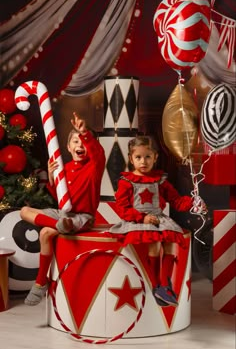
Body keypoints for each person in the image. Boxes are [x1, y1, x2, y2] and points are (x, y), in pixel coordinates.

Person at [109, 136, 207, 307]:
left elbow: (176, 200)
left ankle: (164, 285)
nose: (143, 161)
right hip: (138, 219)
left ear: (155, 157)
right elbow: (122, 208)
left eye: (148, 156)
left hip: (158, 218)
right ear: (131, 159)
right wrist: (142, 217)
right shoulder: (127, 182)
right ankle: (156, 285)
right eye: (138, 157)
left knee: (170, 242)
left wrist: (193, 202)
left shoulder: (160, 180)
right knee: (154, 243)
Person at [20, 112, 106, 306]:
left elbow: (98, 152)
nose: (80, 146)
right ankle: (60, 224)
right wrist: (52, 178)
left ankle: (40, 282)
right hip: (63, 214)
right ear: (68, 147)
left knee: (45, 233)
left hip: (83, 216)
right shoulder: (64, 168)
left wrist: (85, 133)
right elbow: (60, 199)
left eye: (83, 142)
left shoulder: (94, 166)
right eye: (75, 142)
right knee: (24, 212)